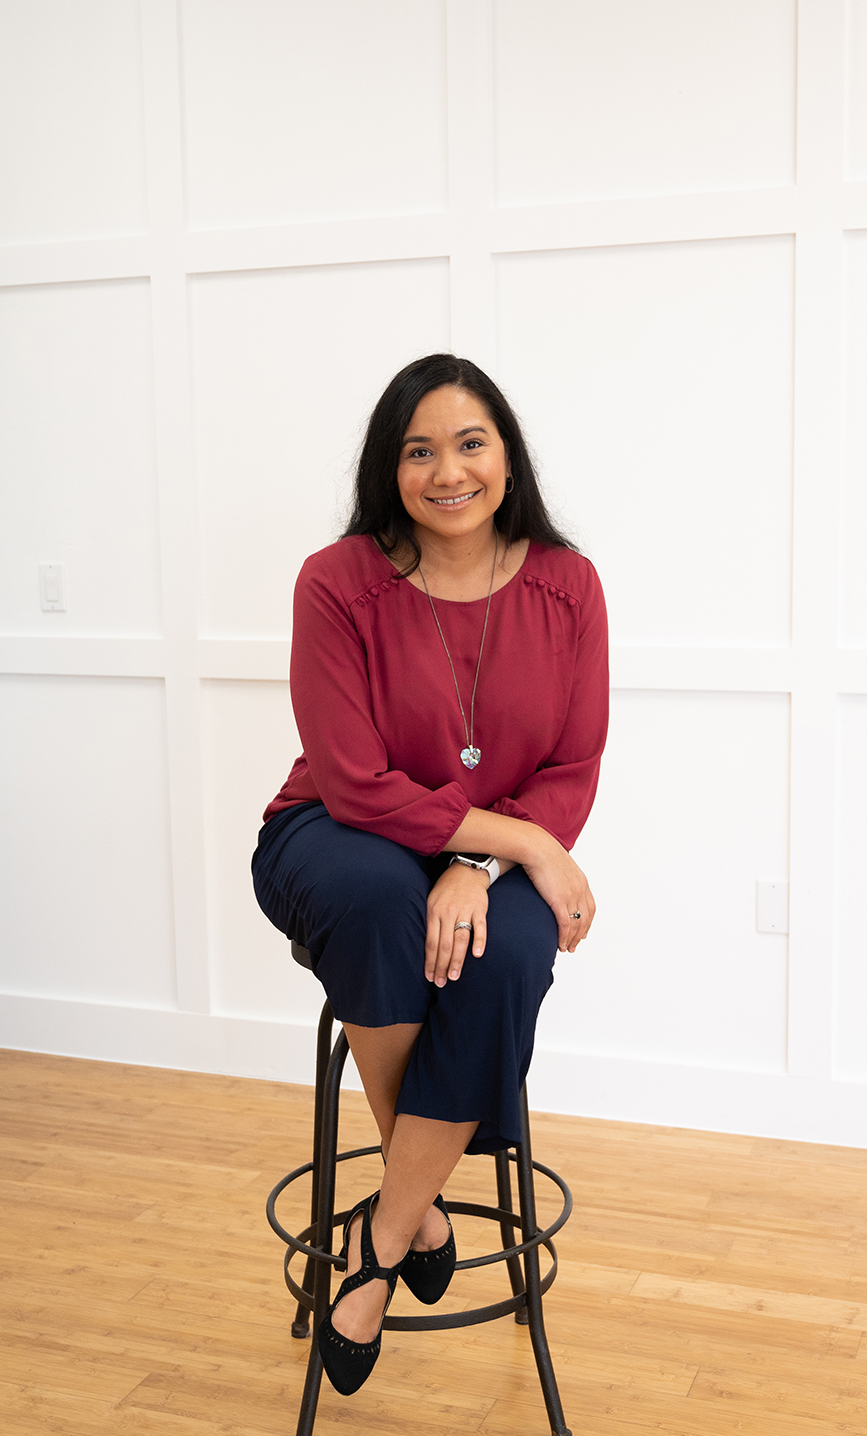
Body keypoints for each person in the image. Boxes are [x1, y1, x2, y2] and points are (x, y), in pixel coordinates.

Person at [252, 352, 608, 1396]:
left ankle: (383, 1238)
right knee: (376, 897)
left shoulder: (566, 584)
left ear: (506, 457)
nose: (446, 470)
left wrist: (481, 862)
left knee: (500, 959)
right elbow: (356, 784)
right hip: (334, 832)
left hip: (482, 855)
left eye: (469, 442)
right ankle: (426, 1204)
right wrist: (522, 846)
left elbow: (572, 764)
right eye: (418, 449)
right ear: (388, 466)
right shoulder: (337, 581)